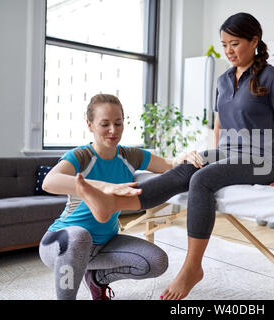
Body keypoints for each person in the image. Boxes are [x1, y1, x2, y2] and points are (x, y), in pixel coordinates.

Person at [72, 12, 274, 300]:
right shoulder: (224, 79)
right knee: (187, 168)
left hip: (263, 159)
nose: (228, 50)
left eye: (235, 43)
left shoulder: (273, 77)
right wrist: (210, 154)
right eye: (224, 44)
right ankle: (114, 202)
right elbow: (219, 126)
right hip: (228, 152)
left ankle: (192, 267)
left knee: (202, 179)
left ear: (254, 41)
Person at [39, 93, 203, 300]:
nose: (113, 130)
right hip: (61, 244)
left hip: (104, 244)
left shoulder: (129, 156)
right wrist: (104, 187)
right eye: (104, 124)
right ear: (90, 125)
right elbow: (50, 181)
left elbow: (169, 165)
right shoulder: (81, 156)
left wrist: (184, 157)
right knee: (80, 236)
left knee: (157, 261)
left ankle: (97, 278)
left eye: (118, 123)